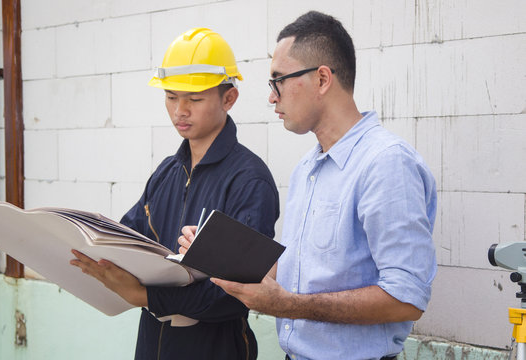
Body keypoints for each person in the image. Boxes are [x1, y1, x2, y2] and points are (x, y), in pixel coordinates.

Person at [179, 11, 437, 360]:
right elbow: (297, 273)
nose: (272, 97)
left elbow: (406, 300)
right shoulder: (307, 169)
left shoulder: (385, 163)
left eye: (278, 81)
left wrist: (290, 306)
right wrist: (219, 254)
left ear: (322, 79)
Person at [70, 27, 279, 360]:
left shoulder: (249, 180)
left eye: (194, 99)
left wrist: (147, 297)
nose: (180, 110)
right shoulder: (167, 172)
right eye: (171, 96)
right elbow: (129, 240)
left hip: (216, 350)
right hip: (153, 346)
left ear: (229, 98)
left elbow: (238, 293)